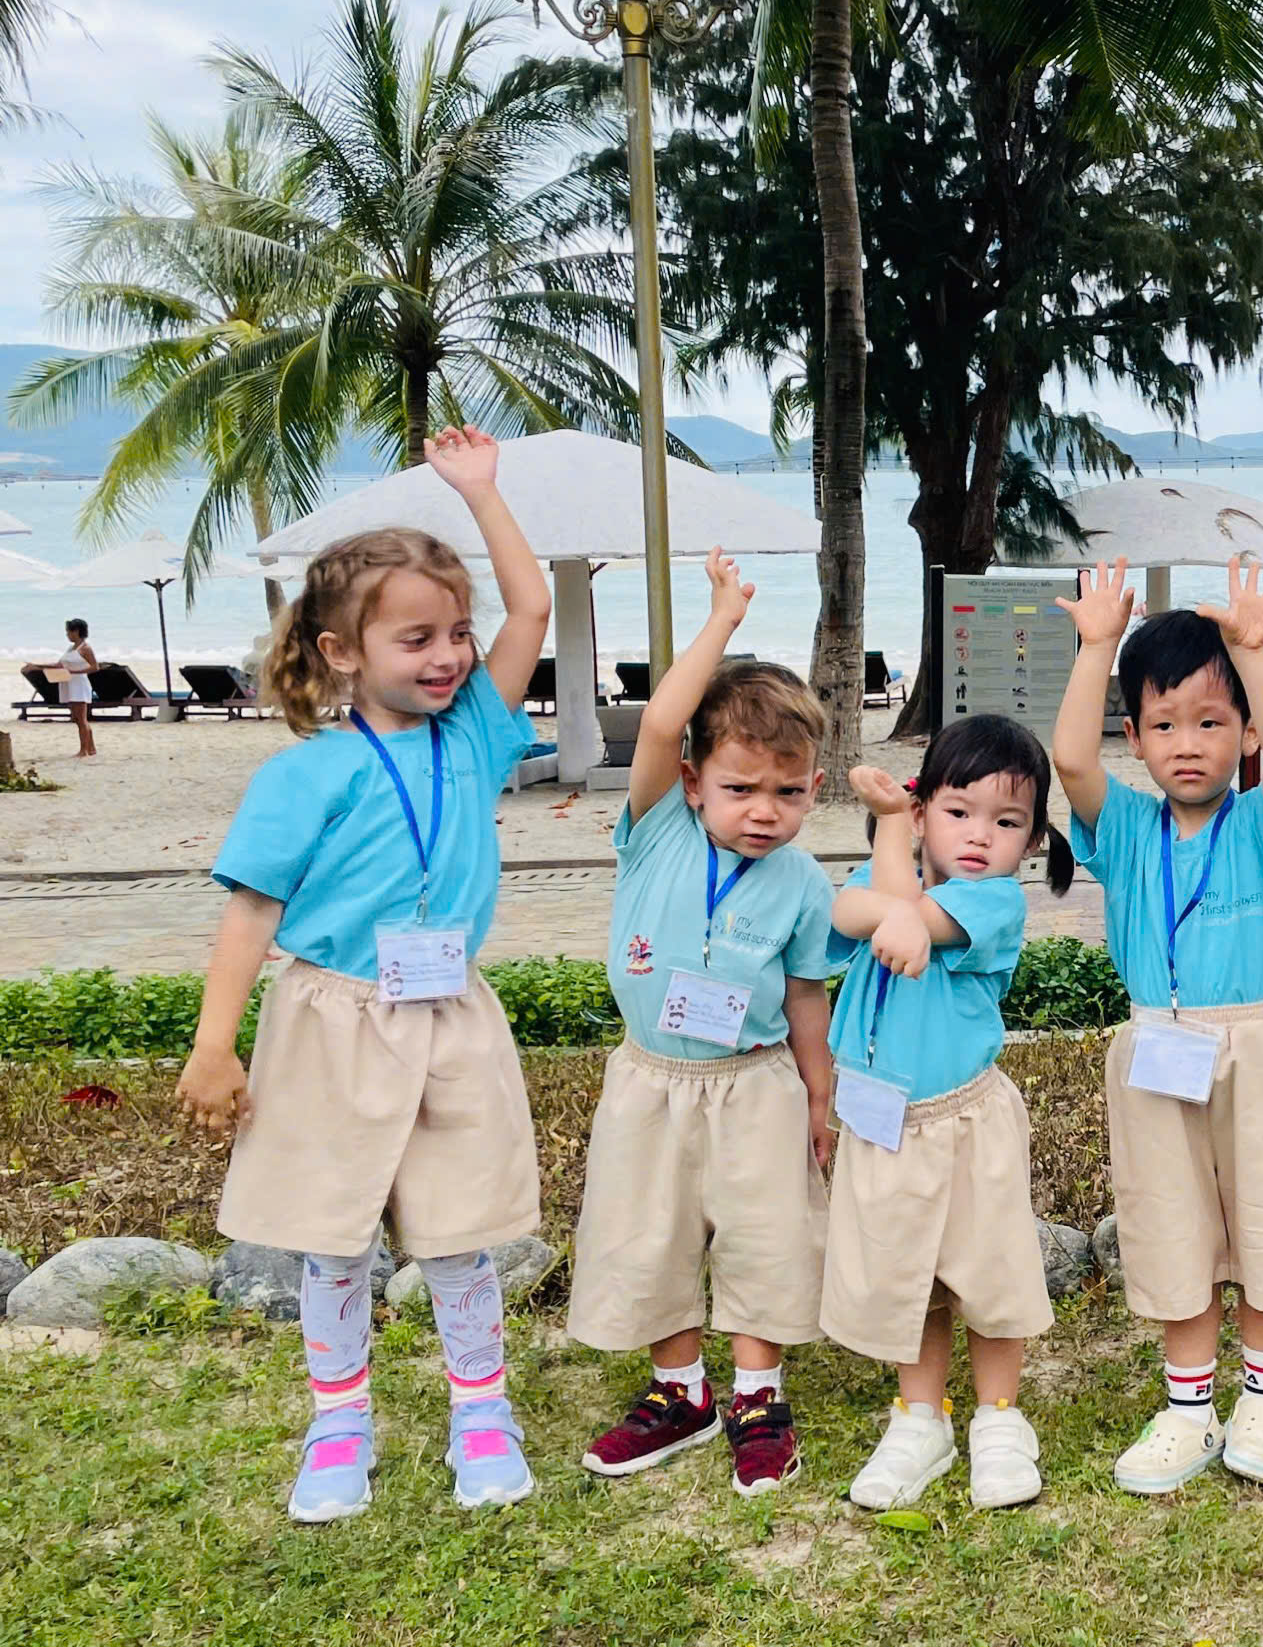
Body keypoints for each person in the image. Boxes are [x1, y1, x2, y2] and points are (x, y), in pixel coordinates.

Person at [174, 426, 549, 1524]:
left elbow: (528, 609)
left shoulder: (476, 734)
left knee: (458, 1233)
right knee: (333, 1239)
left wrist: (480, 493)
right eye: (416, 638)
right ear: (341, 652)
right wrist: (214, 1043)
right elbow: (250, 914)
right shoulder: (306, 774)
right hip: (329, 1018)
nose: (448, 656)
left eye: (456, 635)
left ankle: (482, 1411)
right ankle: (339, 1421)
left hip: (450, 1015)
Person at [569, 552, 838, 1498]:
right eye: (741, 789)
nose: (765, 812)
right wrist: (721, 621)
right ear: (692, 782)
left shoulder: (807, 883)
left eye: (790, 792)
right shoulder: (656, 829)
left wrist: (819, 1095)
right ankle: (678, 1390)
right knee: (652, 1230)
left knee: (763, 1234)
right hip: (653, 1079)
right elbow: (659, 718)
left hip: (756, 1079)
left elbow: (807, 995)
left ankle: (758, 1397)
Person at [1050, 555, 1263, 1496]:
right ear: (1139, 736)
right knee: (1169, 1221)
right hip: (1156, 1045)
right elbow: (1071, 760)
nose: (1188, 743)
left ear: (1242, 729)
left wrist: (1252, 652)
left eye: (1212, 721)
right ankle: (1188, 1405)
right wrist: (1095, 646)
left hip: (1258, 1045)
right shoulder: (1124, 827)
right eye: (1164, 725)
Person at [823, 719, 1075, 1511]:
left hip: (965, 1121)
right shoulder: (890, 870)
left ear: (1032, 842)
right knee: (910, 1277)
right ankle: (918, 1417)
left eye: (1007, 823)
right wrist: (890, 837)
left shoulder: (993, 902)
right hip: (883, 1121)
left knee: (988, 1273)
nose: (979, 836)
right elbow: (847, 913)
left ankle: (1000, 1418)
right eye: (958, 811)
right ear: (924, 808)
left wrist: (895, 893)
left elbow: (907, 930)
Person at [57, 618, 97, 759]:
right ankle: (91, 748)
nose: (67, 634)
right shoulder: (71, 648)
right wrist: (37, 666)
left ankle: (83, 750)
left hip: (79, 684)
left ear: (77, 631)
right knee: (77, 718)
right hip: (69, 684)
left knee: (81, 719)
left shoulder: (85, 648)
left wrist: (75, 672)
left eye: (69, 631)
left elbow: (94, 667)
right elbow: (59, 665)